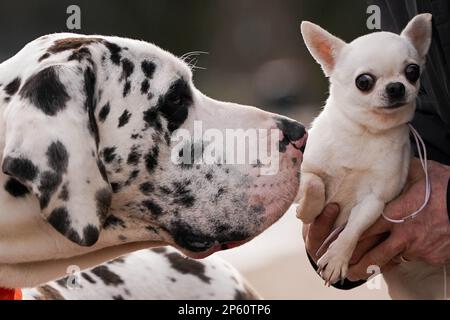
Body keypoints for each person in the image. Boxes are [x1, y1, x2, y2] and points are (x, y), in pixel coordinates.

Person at [302, 0, 450, 289]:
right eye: (366, 82)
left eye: (409, 74)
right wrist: (339, 249)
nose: (395, 88)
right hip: (417, 258)